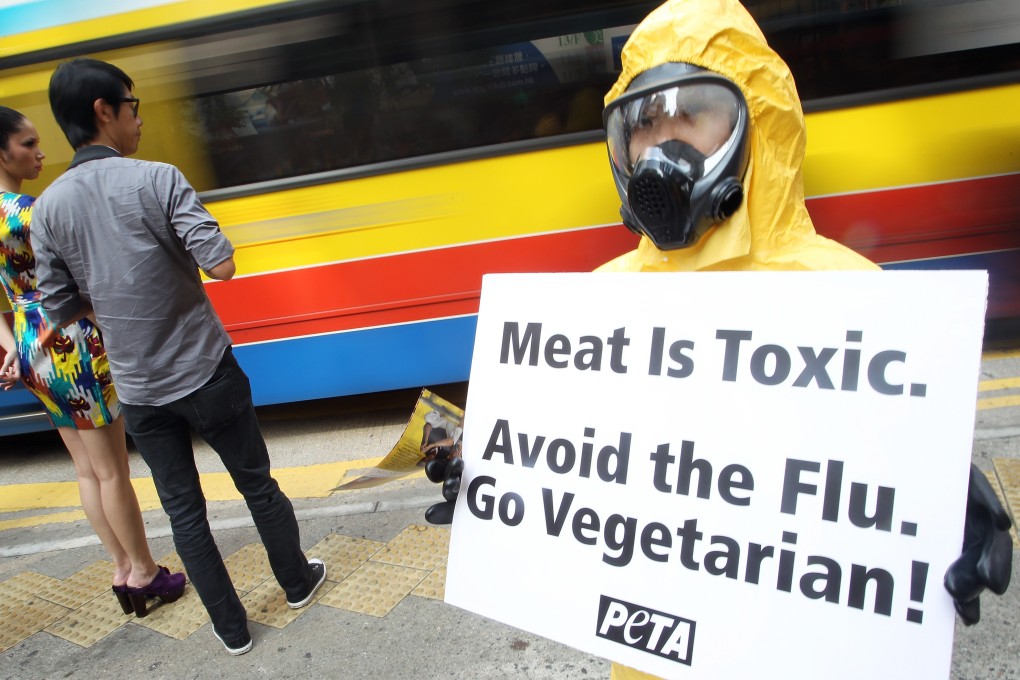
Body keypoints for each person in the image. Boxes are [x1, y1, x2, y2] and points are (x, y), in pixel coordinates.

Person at [424, 0, 1013, 677]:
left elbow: (866, 483)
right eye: (645, 122)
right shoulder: (596, 301)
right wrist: (498, 476)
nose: (664, 143)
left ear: (753, 120)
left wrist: (938, 506)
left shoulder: (857, 297)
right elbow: (583, 456)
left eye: (692, 113)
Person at [29, 58, 326, 657]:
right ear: (103, 112)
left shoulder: (50, 208)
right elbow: (221, 263)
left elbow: (59, 307)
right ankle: (296, 582)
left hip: (139, 391)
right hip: (205, 369)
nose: (138, 119)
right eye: (132, 107)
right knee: (257, 486)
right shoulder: (157, 178)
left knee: (184, 513)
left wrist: (113, 305)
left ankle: (231, 630)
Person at [0, 106, 185, 618]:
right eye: (28, 144)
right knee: (112, 472)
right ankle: (145, 572)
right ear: (2, 152)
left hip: (32, 345)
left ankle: (121, 567)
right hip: (72, 340)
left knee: (85, 470)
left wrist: (14, 345)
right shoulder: (30, 211)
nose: (39, 153)